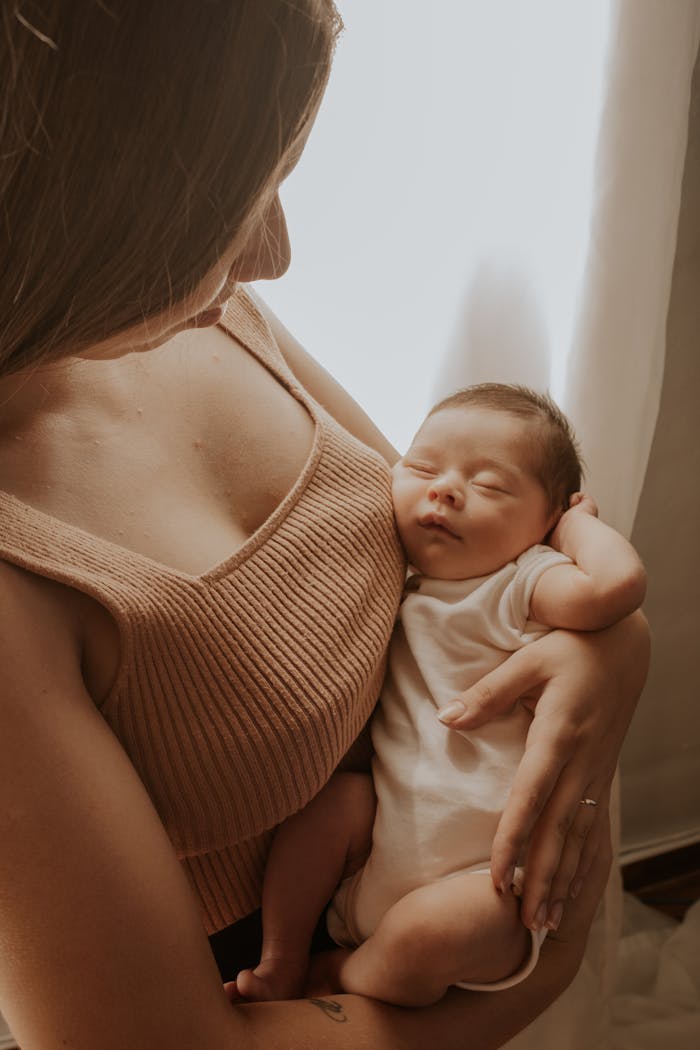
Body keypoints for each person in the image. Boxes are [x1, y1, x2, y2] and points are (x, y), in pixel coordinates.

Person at [0, 4, 649, 1048]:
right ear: (64, 202)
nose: (273, 254)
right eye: (218, 198)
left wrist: (610, 651)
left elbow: (451, 551)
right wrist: (534, 964)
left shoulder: (180, 304)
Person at [234, 384, 647, 1007]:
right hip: (376, 860)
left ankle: (340, 975)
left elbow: (615, 586)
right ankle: (283, 956)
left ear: (545, 520)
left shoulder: (522, 581)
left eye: (489, 485)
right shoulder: (401, 584)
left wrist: (579, 529)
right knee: (334, 804)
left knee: (426, 934)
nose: (445, 489)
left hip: (485, 889)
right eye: (424, 467)